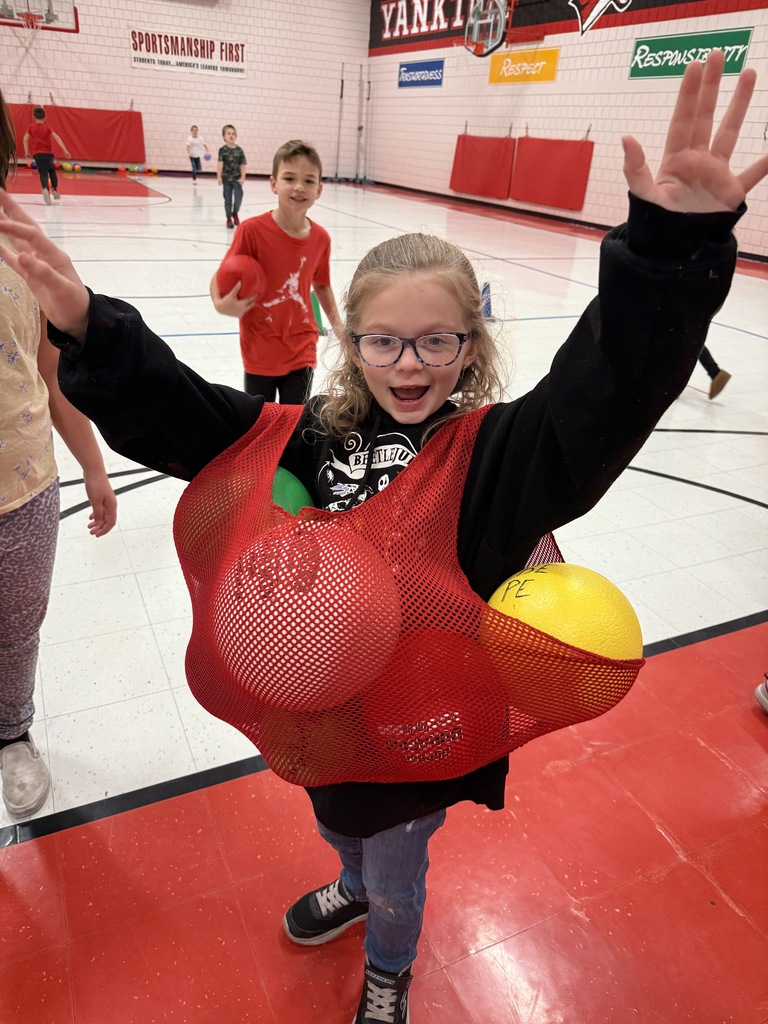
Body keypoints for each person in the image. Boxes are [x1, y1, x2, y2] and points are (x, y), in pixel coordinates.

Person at [1, 52, 765, 1024]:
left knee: (400, 860)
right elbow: (187, 420)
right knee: (339, 823)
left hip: (420, 739)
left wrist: (666, 253)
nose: (411, 362)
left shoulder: (491, 459)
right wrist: (89, 328)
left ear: (470, 347)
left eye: (438, 340)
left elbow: (603, 396)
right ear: (351, 341)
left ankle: (389, 964)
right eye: (386, 340)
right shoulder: (305, 441)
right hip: (324, 729)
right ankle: (354, 881)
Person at [0, 88, 117, 819]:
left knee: (16, 629)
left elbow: (51, 373)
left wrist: (95, 466)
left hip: (24, 491)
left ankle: (12, 734)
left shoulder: (23, 252)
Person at [210, 139, 342, 403]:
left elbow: (322, 285)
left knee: (294, 421)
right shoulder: (251, 230)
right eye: (289, 178)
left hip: (302, 344)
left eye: (308, 180)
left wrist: (341, 330)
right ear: (274, 183)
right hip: (260, 347)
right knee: (262, 423)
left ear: (319, 189)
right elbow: (221, 275)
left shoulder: (321, 239)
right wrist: (221, 304)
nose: (298, 187)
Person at [23, 105, 71, 206]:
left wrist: (26, 151)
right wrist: (65, 150)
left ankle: (45, 189)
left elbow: (25, 139)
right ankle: (54, 189)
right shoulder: (48, 128)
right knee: (52, 171)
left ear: (34, 117)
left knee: (43, 173)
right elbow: (57, 138)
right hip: (48, 154)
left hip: (38, 154)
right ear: (45, 117)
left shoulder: (30, 127)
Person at [216, 123, 246, 229]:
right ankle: (229, 218)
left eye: (233, 133)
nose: (231, 135)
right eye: (228, 133)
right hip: (226, 179)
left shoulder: (239, 150)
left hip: (237, 179)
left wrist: (243, 177)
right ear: (224, 136)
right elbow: (220, 163)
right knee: (228, 200)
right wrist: (218, 176)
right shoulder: (222, 150)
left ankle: (235, 213)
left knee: (238, 197)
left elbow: (243, 164)